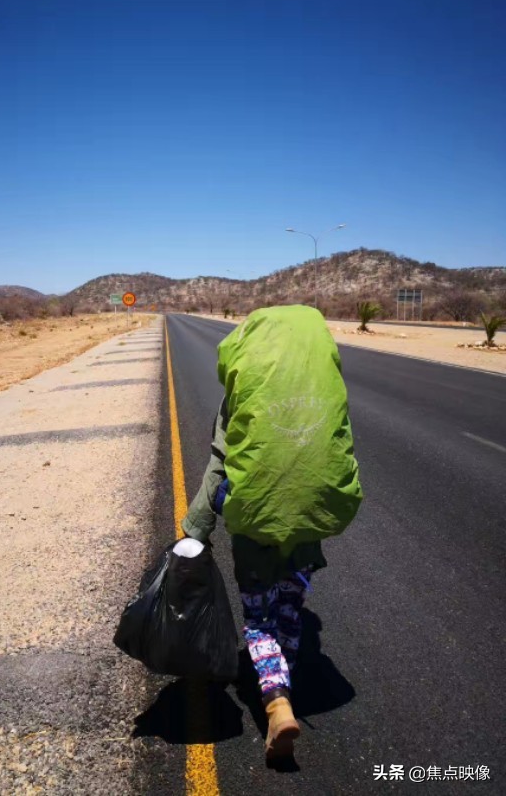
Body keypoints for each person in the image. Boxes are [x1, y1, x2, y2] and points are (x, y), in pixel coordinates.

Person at [181, 305, 363, 761]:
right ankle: (290, 675)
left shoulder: (242, 398)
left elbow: (218, 466)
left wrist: (195, 530)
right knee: (291, 610)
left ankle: (275, 700)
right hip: (306, 526)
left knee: (259, 619)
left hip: (255, 528)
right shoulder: (324, 392)